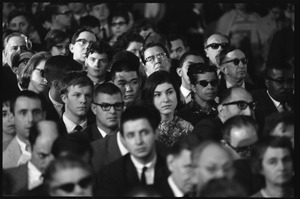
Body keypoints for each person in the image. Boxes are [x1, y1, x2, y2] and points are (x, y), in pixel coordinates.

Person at [96, 105, 169, 196]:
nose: (138, 141)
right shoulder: (110, 175)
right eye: (131, 135)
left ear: (155, 133)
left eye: (144, 133)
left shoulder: (173, 168)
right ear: (123, 139)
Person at [4, 120, 59, 195]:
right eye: (42, 156)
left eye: (56, 154)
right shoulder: (6, 178)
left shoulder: (73, 178)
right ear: (29, 147)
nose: (50, 161)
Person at [142, 71, 193, 147]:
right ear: (150, 98)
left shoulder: (188, 128)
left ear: (176, 93)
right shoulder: (144, 129)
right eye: (158, 95)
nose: (166, 99)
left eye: (169, 92)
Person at [3, 90, 45, 169]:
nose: (30, 119)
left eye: (36, 112)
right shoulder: (4, 156)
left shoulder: (59, 148)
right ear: (12, 117)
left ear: (43, 115)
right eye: (23, 113)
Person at [252, 60, 294, 129]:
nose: (287, 86)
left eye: (290, 81)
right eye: (280, 81)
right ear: (267, 82)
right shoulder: (255, 105)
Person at [43, 55, 82, 121]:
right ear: (57, 85)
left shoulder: (83, 103)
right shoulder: (38, 105)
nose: (79, 85)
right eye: (73, 81)